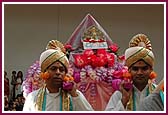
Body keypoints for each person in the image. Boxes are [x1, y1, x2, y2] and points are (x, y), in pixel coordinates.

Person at [23, 40, 93, 111]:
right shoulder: (33, 97)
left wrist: (74, 95)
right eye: (53, 69)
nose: (58, 72)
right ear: (44, 73)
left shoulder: (74, 95)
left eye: (62, 70)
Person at [105, 33, 161, 111]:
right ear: (129, 70)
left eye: (144, 69)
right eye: (135, 69)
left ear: (151, 70)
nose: (139, 73)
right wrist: (124, 100)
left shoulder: (159, 93)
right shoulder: (119, 94)